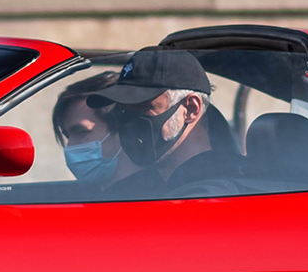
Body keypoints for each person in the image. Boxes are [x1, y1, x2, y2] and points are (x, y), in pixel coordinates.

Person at [91, 46, 243, 200]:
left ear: (191, 109)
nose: (130, 123)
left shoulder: (220, 194)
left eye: (144, 108)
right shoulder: (139, 190)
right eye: (125, 110)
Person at [52, 71, 122, 183]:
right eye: (67, 136)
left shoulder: (149, 195)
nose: (70, 146)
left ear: (123, 130)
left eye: (81, 132)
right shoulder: (95, 197)